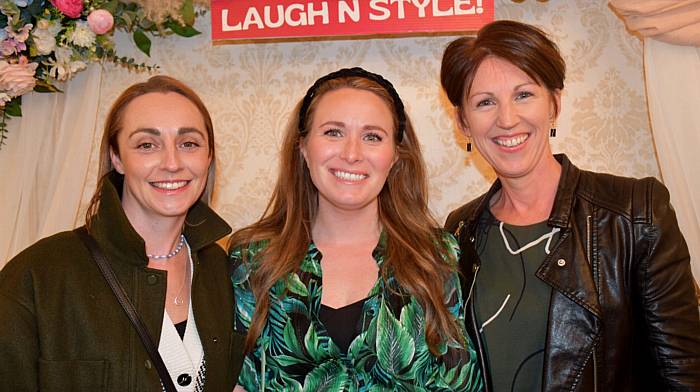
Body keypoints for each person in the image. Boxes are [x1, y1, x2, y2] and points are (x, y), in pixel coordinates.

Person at [440, 20, 700, 392]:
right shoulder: (460, 230)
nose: (507, 119)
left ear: (555, 104)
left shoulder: (634, 212)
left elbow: (685, 375)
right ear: (463, 123)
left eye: (524, 95)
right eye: (485, 102)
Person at [229, 67, 483, 391]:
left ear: (394, 156)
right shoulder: (253, 259)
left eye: (372, 137)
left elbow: (459, 382)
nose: (351, 153)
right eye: (333, 132)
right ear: (303, 146)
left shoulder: (437, 257)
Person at [0, 75, 245, 391]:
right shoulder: (38, 276)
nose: (172, 163)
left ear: (208, 157)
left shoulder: (225, 273)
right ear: (116, 157)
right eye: (147, 145)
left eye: (189, 143)